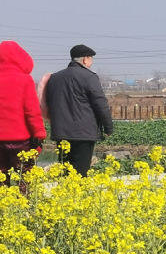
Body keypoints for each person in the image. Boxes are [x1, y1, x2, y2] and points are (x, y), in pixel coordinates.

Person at [0, 40, 46, 186]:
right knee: (24, 182)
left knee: (0, 183)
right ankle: (23, 208)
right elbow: (32, 111)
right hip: (22, 142)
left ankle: (1, 209)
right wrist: (39, 134)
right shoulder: (25, 80)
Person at [43, 44, 114, 176]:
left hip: (61, 133)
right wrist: (108, 127)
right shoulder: (89, 77)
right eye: (91, 58)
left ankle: (66, 195)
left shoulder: (54, 78)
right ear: (85, 59)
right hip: (84, 133)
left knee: (65, 171)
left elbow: (49, 103)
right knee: (80, 173)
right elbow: (100, 103)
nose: (91, 62)